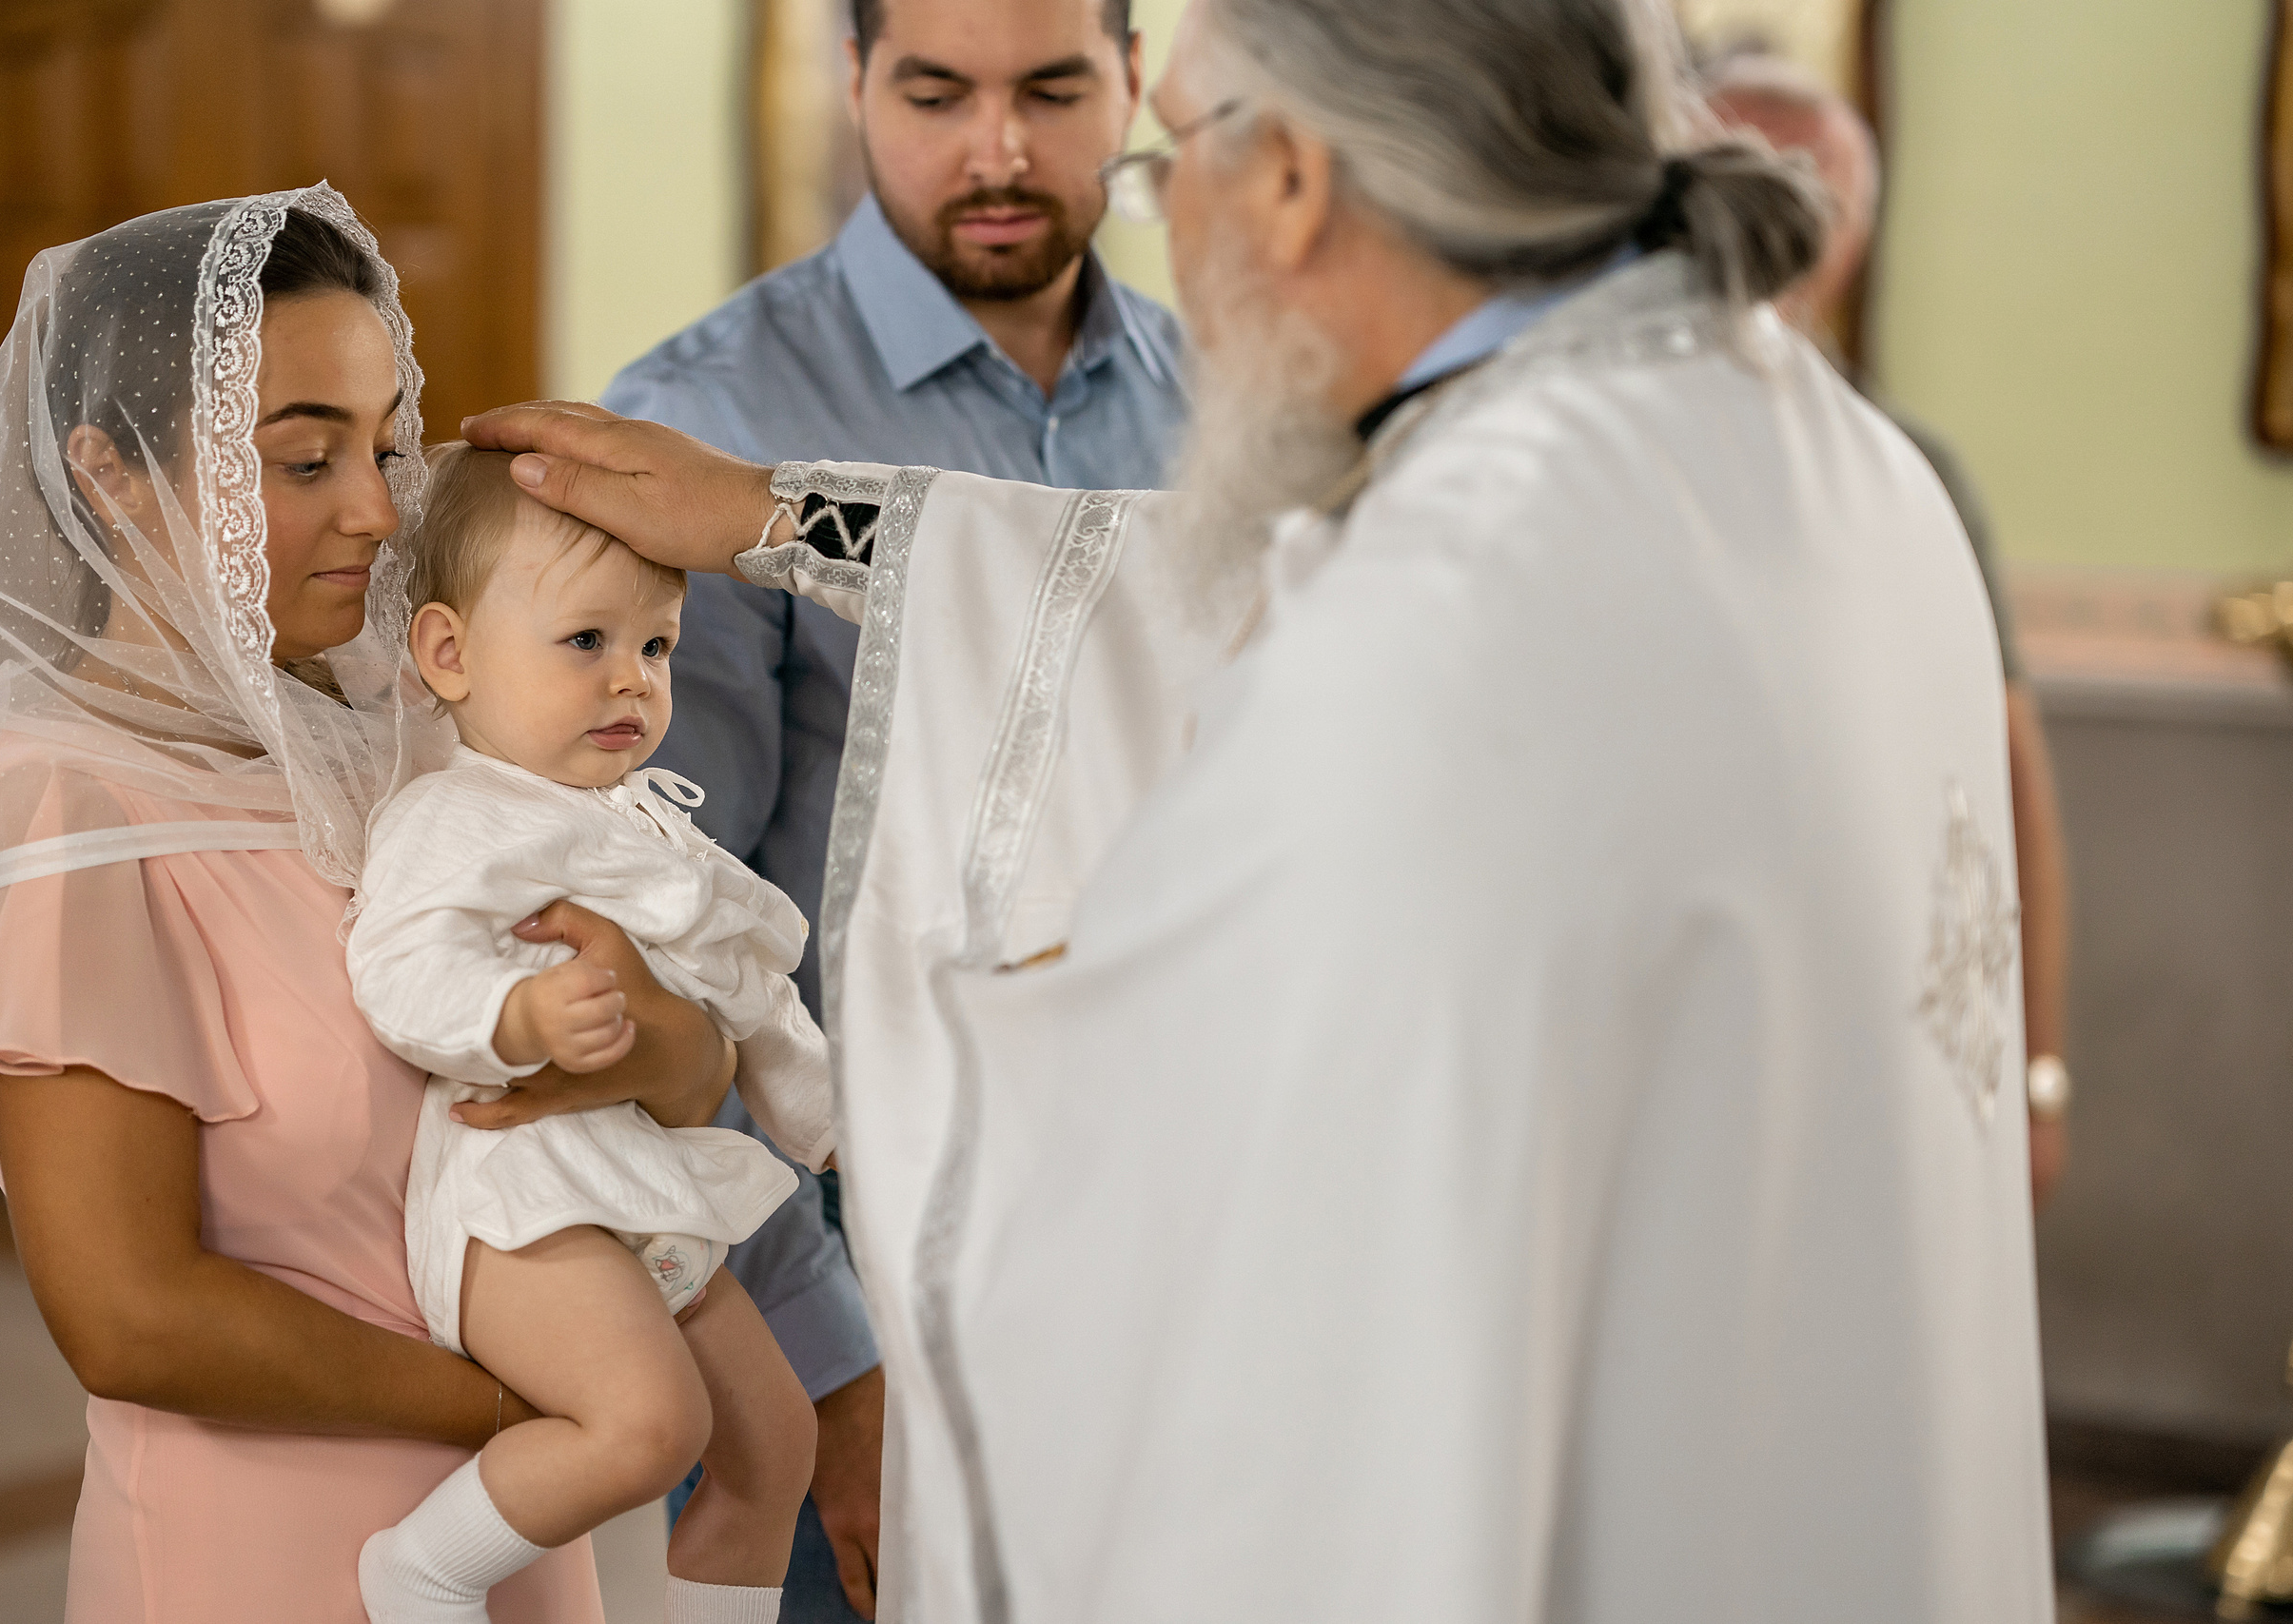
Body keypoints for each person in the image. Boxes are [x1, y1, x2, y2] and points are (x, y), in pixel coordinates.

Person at [469, 0, 2058, 1618]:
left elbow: (1209, 1108)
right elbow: (1193, 589)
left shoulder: (1467, 569)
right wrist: (775, 514)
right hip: (1796, 1426)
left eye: (1170, 163)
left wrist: (992, 1030)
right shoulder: (1822, 448)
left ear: (1289, 176)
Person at [0, 187, 735, 1621]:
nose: (381, 505)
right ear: (111, 473)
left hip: (514, 1528)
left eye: (389, 436)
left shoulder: (413, 737)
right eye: (303, 455)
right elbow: (132, 1313)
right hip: (266, 1550)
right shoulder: (68, 810)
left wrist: (660, 1038)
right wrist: (548, 1410)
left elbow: (670, 1080)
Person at [598, 0, 1184, 1613]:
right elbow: (667, 933)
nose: (997, 151)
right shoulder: (704, 428)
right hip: (862, 1246)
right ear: (853, 83)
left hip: (1167, 1230)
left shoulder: (1226, 407)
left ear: (1135, 82)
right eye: (937, 91)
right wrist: (829, 1377)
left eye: (1056, 89)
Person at [348, 445, 837, 1624]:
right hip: (522, 1201)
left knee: (774, 1443)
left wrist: (830, 1127)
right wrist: (514, 1015)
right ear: (447, 654)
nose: (633, 683)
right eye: (588, 643)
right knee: (648, 1428)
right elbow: (396, 965)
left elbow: (753, 986)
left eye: (657, 647)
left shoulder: (647, 825)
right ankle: (424, 1570)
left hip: (645, 1187)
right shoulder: (456, 814)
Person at [1706, 52, 2075, 1205]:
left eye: (1802, 193)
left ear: (1848, 237)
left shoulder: (1910, 475)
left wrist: (2037, 1073)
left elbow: (2008, 791)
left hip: (1861, 1030)